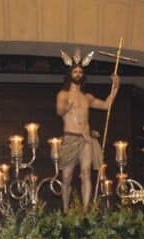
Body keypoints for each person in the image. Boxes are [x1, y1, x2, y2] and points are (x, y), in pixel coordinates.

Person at [57, 48, 119, 210]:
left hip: (85, 138)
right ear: (70, 74)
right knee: (67, 177)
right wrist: (67, 107)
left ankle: (85, 211)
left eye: (80, 72)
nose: (78, 74)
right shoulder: (63, 94)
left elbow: (106, 105)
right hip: (70, 137)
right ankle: (65, 210)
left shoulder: (87, 97)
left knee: (86, 173)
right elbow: (59, 111)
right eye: (75, 71)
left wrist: (116, 87)